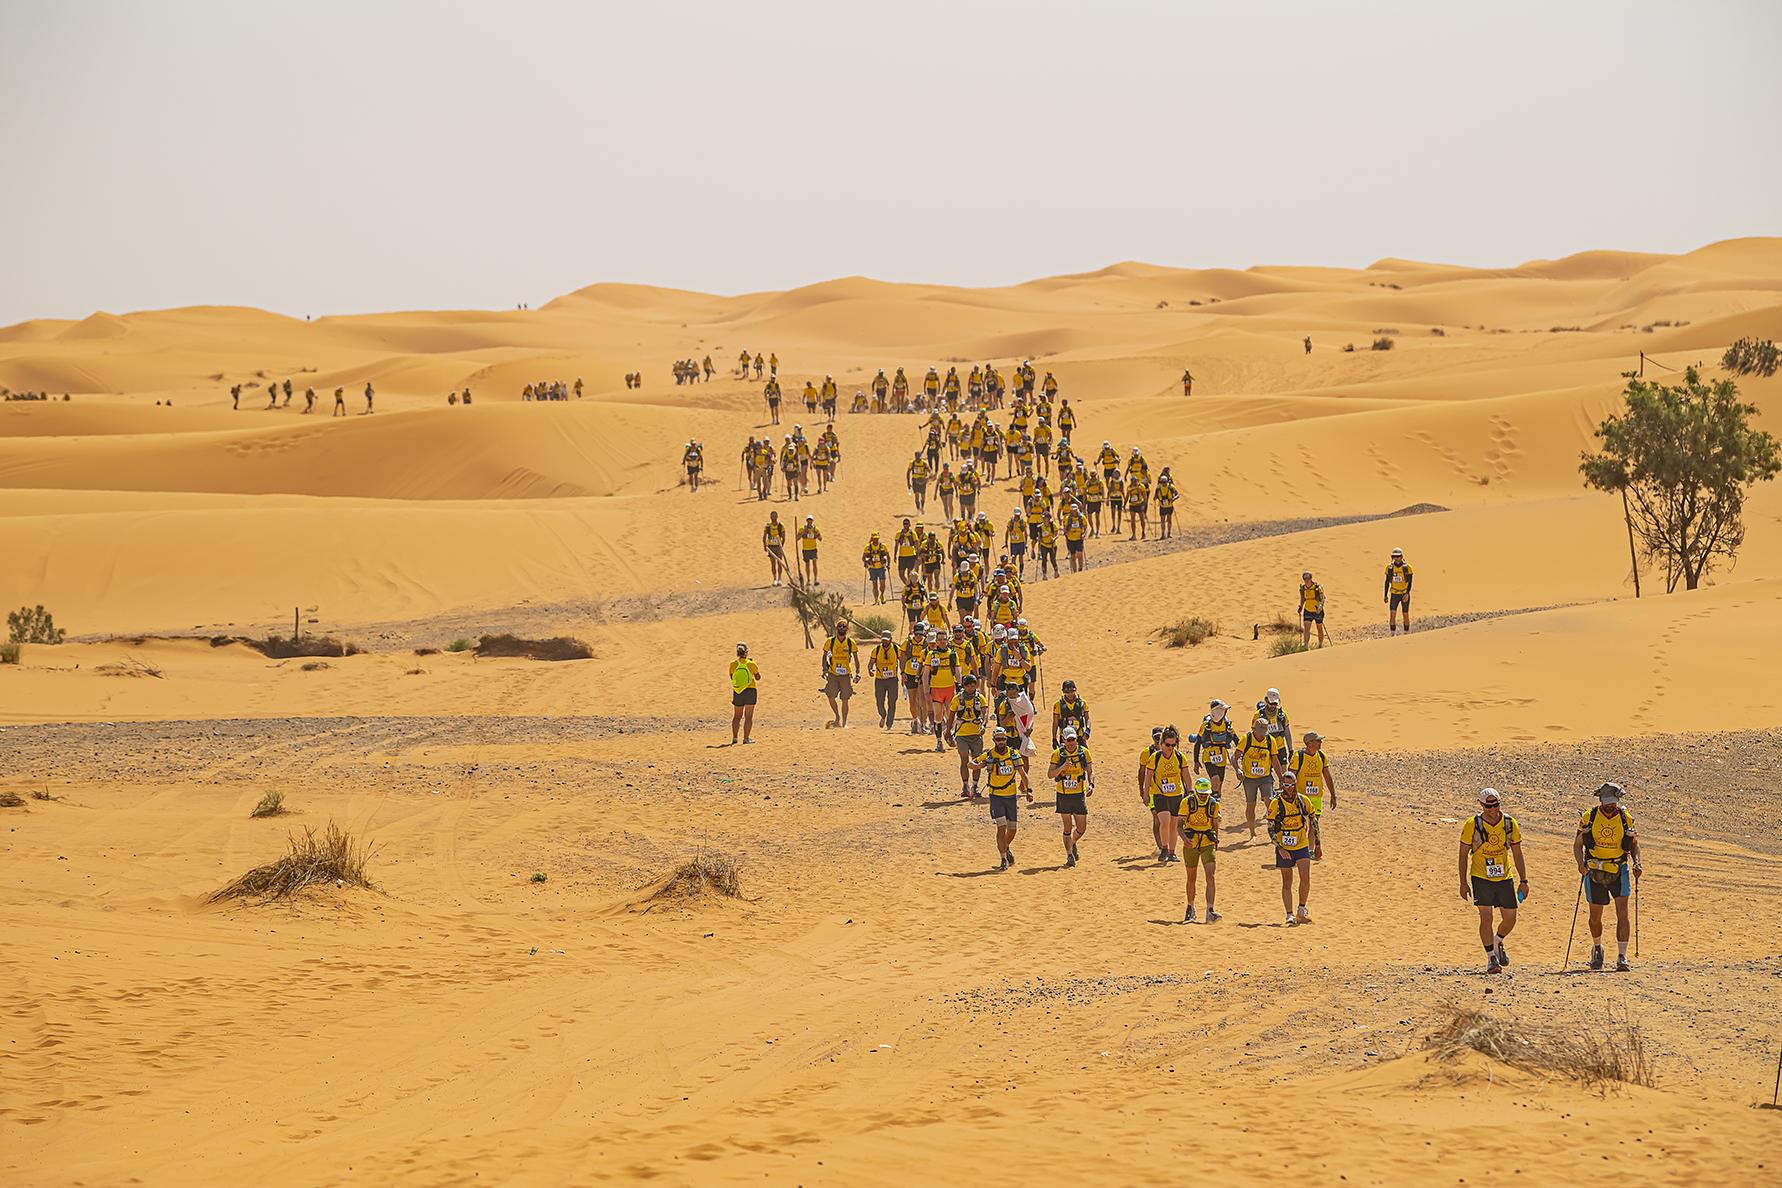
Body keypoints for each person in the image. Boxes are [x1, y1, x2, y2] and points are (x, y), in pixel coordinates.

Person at [1575, 781, 1642, 971]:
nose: (1610, 807)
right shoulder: (1589, 817)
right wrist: (1580, 864)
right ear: (1600, 801)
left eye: (1613, 803)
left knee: (1623, 912)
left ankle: (1622, 956)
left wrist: (1637, 862)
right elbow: (1578, 843)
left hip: (1618, 869)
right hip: (1594, 869)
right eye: (1607, 803)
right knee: (1595, 916)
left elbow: (1634, 844)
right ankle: (1597, 948)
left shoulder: (1625, 818)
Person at [1459, 788, 1527, 973]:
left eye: (1496, 805)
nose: (1492, 809)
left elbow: (1518, 853)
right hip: (1481, 876)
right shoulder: (1472, 824)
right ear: (1481, 805)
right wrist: (1463, 882)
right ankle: (1491, 958)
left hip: (1504, 876)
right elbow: (1463, 854)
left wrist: (1524, 880)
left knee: (1510, 918)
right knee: (1486, 916)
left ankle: (1497, 941)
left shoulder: (1509, 824)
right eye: (1488, 806)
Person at [971, 726, 1031, 871]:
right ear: (993, 740)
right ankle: (1003, 857)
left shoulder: (1013, 755)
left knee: (1013, 829)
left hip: (1011, 796)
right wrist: (979, 765)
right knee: (1001, 827)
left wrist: (1029, 790)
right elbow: (970, 764)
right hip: (996, 796)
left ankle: (1005, 846)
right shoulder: (989, 755)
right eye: (998, 739)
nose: (1001, 742)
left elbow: (1023, 774)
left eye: (1003, 739)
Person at [1268, 771, 1321, 925]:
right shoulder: (1275, 803)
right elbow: (1270, 828)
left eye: (1291, 785)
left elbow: (1313, 822)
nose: (1289, 788)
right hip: (1284, 845)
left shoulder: (1303, 801)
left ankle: (1301, 910)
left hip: (1301, 843)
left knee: (1305, 877)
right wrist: (1279, 848)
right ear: (1282, 785)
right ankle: (1289, 914)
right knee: (1287, 881)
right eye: (1286, 785)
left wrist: (1318, 844)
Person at [1047, 726, 1093, 867]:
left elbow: (1090, 771)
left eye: (1074, 739)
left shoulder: (1084, 753)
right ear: (1064, 740)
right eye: (1069, 740)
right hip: (1064, 795)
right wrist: (1061, 768)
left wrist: (1091, 784)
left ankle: (1072, 842)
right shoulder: (1057, 754)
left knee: (1081, 828)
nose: (1072, 742)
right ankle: (1069, 855)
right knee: (1067, 827)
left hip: (1078, 794)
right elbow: (1050, 774)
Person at [1235, 716, 1286, 840]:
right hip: (1249, 779)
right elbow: (1234, 757)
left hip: (1265, 777)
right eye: (1260, 733)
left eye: (1264, 733)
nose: (1262, 735)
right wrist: (1237, 769)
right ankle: (1252, 833)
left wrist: (1280, 778)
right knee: (1251, 805)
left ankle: (1274, 830)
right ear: (1254, 730)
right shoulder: (1246, 739)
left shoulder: (1270, 740)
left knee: (1269, 801)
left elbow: (1274, 760)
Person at [1178, 775, 1221, 922]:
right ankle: (1190, 908)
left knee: (1211, 875)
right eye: (1201, 794)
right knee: (1192, 877)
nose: (1203, 796)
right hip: (1191, 842)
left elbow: (1215, 823)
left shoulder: (1213, 804)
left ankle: (1210, 910)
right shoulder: (1187, 802)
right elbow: (1179, 824)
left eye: (1206, 794)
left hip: (1207, 842)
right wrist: (1184, 839)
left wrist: (1216, 839)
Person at [1147, 726, 1190, 863]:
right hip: (1160, 794)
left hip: (1176, 794)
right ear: (1161, 743)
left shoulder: (1179, 757)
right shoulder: (1155, 757)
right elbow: (1148, 777)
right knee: (1164, 822)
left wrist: (1190, 792)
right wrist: (1145, 793)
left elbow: (1186, 776)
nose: (1170, 747)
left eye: (1173, 745)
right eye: (1167, 745)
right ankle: (1164, 848)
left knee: (1174, 825)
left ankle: (1172, 852)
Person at [1192, 699, 1237, 799]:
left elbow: (1236, 739)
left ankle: (1215, 806)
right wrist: (1196, 761)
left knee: (1219, 786)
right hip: (1209, 757)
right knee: (1215, 781)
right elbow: (1198, 742)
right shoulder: (1206, 726)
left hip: (1222, 757)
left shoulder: (1227, 724)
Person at [952, 673, 988, 797]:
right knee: (964, 758)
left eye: (973, 686)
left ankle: (975, 786)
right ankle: (965, 785)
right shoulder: (957, 699)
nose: (970, 688)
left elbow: (984, 714)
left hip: (976, 734)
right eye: (968, 686)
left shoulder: (980, 698)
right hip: (962, 733)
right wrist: (947, 734)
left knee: (976, 760)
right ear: (964, 686)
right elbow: (951, 716)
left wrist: (983, 725)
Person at [1287, 731, 1337, 816]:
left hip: (1316, 797)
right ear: (1309, 743)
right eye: (1318, 741)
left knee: (1314, 823)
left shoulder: (1322, 756)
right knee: (1302, 824)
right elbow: (1290, 778)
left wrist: (1333, 795)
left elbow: (1327, 777)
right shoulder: (1298, 757)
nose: (1321, 742)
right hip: (1301, 797)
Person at [820, 618, 859, 728]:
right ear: (836, 629)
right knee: (831, 696)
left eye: (844, 627)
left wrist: (858, 672)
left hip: (846, 674)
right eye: (840, 627)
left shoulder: (851, 643)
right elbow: (824, 656)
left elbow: (856, 658)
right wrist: (824, 669)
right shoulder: (830, 642)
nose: (842, 628)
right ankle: (837, 716)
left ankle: (844, 722)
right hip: (833, 673)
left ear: (847, 629)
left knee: (845, 698)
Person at [868, 630, 901, 730]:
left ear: (891, 640)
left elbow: (902, 661)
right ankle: (883, 715)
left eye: (887, 640)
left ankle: (889, 723)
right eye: (883, 640)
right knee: (879, 701)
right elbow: (871, 663)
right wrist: (870, 669)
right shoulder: (877, 649)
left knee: (892, 702)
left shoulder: (896, 649)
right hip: (880, 680)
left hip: (892, 680)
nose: (885, 642)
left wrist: (904, 673)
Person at [729, 643, 761, 744]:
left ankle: (734, 738)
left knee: (737, 716)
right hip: (750, 690)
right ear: (746, 652)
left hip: (738, 691)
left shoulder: (733, 664)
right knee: (748, 716)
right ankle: (746, 738)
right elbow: (758, 677)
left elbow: (732, 677)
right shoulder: (751, 664)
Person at [1051, 679, 1090, 746]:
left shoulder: (1083, 703)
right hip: (1065, 736)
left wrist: (1088, 730)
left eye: (1072, 691)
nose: (1070, 694)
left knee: (1083, 754)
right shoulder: (1058, 704)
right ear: (1063, 691)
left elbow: (1087, 718)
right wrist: (1054, 738)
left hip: (1079, 735)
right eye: (1067, 692)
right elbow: (1055, 722)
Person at [1385, 547, 1414, 634]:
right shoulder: (1389, 568)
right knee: (1392, 614)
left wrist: (1407, 593)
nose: (1396, 558)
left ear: (1401, 557)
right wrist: (1385, 595)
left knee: (1405, 614)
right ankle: (1392, 634)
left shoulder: (1407, 568)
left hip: (1404, 594)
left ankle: (1406, 633)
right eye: (1394, 556)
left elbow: (1410, 582)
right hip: (1394, 594)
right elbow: (1387, 582)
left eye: (1398, 556)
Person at [1257, 687, 1293, 753]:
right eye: (1271, 703)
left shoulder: (1282, 715)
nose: (1273, 706)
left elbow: (1287, 733)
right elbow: (1254, 733)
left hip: (1280, 748)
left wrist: (1290, 750)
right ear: (1266, 700)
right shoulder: (1258, 715)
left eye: (1275, 704)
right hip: (1265, 748)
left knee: (1283, 764)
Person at [1299, 571, 1328, 649]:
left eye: (1308, 579)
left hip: (1317, 611)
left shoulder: (1318, 587)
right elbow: (1302, 599)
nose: (1306, 581)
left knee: (1319, 628)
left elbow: (1322, 599)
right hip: (1307, 610)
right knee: (1306, 628)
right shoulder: (1303, 588)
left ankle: (1320, 644)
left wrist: (1320, 607)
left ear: (1311, 578)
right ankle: (1306, 646)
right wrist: (1300, 607)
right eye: (1305, 579)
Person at [862, 532, 891, 604]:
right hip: (872, 568)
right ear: (872, 539)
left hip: (881, 567)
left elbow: (888, 555)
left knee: (882, 584)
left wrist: (888, 564)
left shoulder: (883, 546)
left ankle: (882, 595)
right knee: (874, 584)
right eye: (874, 539)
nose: (876, 540)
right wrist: (866, 562)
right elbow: (863, 557)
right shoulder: (867, 547)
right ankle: (876, 599)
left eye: (877, 538)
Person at [763, 511, 788, 586]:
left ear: (777, 517)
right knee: (773, 563)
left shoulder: (781, 526)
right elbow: (764, 536)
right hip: (771, 546)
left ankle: (779, 579)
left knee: (780, 563)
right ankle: (774, 579)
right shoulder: (768, 526)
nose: (773, 518)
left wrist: (782, 546)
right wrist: (765, 545)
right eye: (772, 516)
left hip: (778, 546)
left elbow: (784, 537)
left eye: (774, 516)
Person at [798, 516, 822, 584]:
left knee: (814, 563)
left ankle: (815, 579)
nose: (809, 521)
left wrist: (816, 535)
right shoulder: (802, 529)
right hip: (806, 549)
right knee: (807, 564)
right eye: (808, 520)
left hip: (813, 549)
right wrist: (803, 533)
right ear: (806, 521)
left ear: (812, 521)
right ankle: (808, 579)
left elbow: (820, 538)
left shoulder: (815, 529)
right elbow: (797, 538)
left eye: (810, 520)